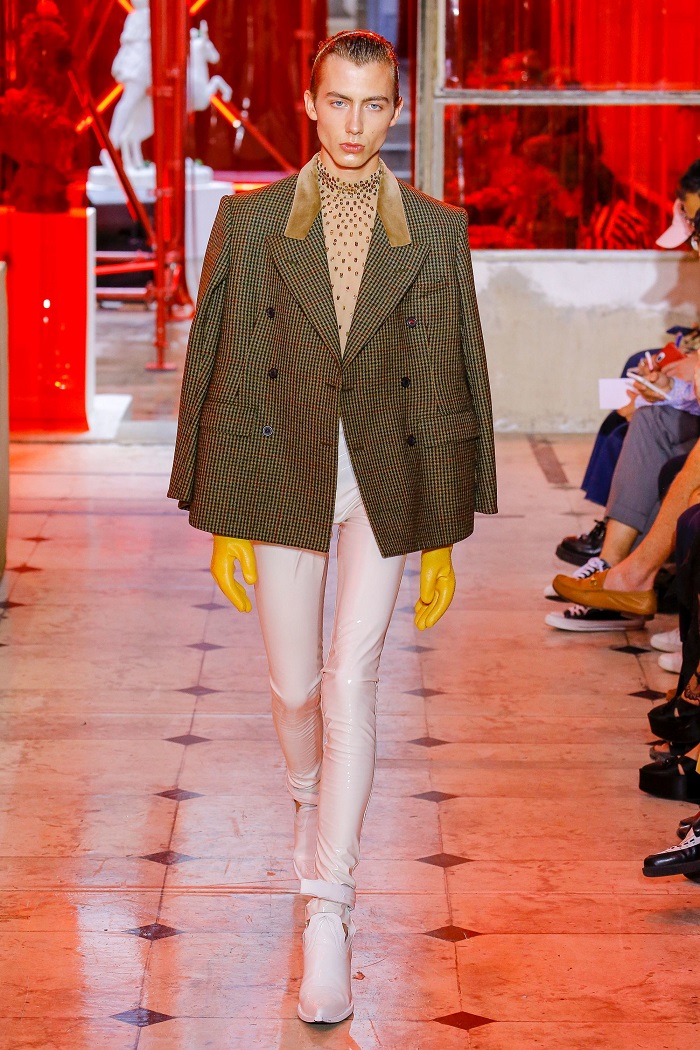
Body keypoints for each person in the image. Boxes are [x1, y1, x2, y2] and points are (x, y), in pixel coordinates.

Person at [168, 30, 496, 1025]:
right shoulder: (252, 221)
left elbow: (447, 376)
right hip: (283, 471)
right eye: (338, 102)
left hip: (384, 477)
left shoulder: (433, 232)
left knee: (353, 678)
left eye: (373, 105)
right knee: (293, 686)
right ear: (310, 105)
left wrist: (439, 532)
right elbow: (223, 363)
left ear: (396, 112)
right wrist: (223, 512)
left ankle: (330, 905)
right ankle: (310, 796)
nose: (355, 125)